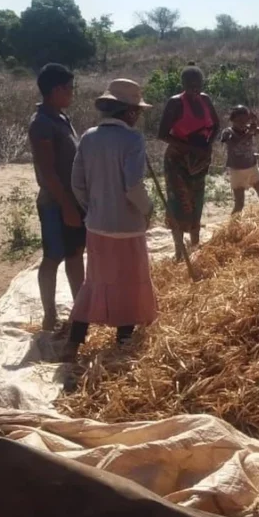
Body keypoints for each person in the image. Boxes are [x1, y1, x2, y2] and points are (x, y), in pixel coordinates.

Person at [62, 79, 157, 361]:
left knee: (94, 282)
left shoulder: (89, 137)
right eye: (136, 111)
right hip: (127, 227)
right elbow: (132, 186)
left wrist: (94, 208)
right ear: (128, 112)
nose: (137, 116)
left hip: (97, 225)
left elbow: (77, 183)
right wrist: (147, 209)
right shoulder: (132, 139)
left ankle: (74, 342)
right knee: (130, 282)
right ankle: (123, 343)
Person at [28, 63, 85, 332]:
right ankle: (49, 315)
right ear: (55, 90)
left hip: (72, 201)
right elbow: (48, 172)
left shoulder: (61, 118)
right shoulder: (41, 124)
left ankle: (81, 309)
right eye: (69, 88)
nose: (72, 93)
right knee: (53, 257)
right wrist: (66, 206)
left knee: (75, 254)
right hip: (55, 203)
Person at [157, 64, 220, 261]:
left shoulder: (205, 100)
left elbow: (216, 125)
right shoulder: (175, 103)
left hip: (200, 161)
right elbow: (162, 134)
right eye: (191, 85)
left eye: (198, 85)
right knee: (179, 203)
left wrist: (207, 146)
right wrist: (191, 149)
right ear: (183, 84)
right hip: (178, 160)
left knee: (197, 201)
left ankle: (194, 247)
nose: (195, 89)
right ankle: (179, 251)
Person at [221, 106, 259, 216]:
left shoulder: (248, 129)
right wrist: (249, 133)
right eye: (239, 120)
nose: (242, 123)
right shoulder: (227, 132)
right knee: (239, 204)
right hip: (237, 172)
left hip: (252, 169)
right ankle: (232, 228)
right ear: (233, 120)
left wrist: (256, 120)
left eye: (245, 120)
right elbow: (234, 145)